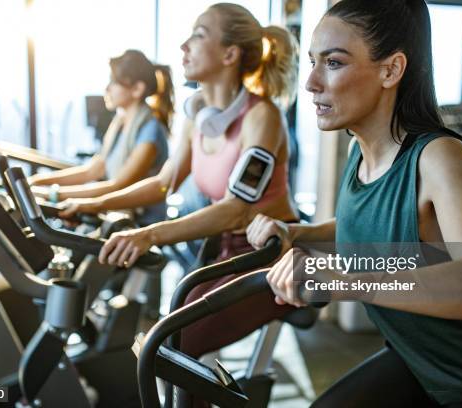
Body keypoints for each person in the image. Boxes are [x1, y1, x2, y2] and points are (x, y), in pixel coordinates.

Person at [246, 1, 462, 407]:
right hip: (413, 359)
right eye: (313, 62)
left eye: (333, 63)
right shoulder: (360, 152)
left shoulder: (438, 157)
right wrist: (296, 233)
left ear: (391, 69)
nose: (311, 82)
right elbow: (373, 223)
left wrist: (344, 282)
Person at [62, 0, 298, 375]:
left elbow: (237, 209)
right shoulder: (199, 118)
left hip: (270, 256)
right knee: (169, 344)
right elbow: (161, 185)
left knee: (174, 345)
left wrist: (149, 234)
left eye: (199, 35)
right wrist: (90, 202)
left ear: (229, 54)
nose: (183, 46)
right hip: (224, 252)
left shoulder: (261, 117)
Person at [31, 49, 173, 226]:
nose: (107, 88)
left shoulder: (150, 131)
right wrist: (38, 181)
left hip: (137, 224)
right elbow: (93, 170)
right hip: (114, 217)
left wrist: (52, 194)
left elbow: (118, 186)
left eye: (114, 82)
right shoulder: (119, 124)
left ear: (137, 89)